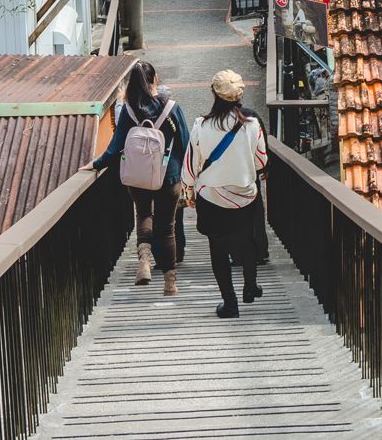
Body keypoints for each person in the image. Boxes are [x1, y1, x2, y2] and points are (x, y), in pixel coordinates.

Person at [86, 59, 187, 295]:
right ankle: (170, 283)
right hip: (167, 176)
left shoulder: (129, 110)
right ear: (154, 80)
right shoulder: (171, 107)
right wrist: (183, 173)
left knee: (143, 215)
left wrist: (95, 164)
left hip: (138, 177)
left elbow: (114, 147)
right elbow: (185, 142)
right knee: (168, 227)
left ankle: (143, 261)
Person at [184, 69, 268, 318]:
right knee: (247, 243)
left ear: (214, 93)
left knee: (218, 250)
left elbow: (191, 164)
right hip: (244, 196)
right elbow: (262, 162)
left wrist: (188, 190)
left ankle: (230, 303)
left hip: (211, 198)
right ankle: (250, 286)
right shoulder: (252, 126)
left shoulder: (201, 125)